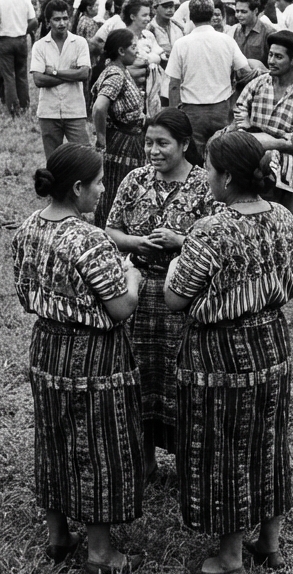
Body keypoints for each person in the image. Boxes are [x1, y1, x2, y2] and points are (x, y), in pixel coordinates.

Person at [164, 131, 293, 574]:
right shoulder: (283, 217)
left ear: (225, 177)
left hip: (218, 355)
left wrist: (174, 258)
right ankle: (269, 542)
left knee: (223, 449)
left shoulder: (211, 230)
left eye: (208, 168)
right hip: (271, 345)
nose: (205, 175)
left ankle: (229, 557)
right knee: (269, 440)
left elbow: (176, 297)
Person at [12, 145, 144, 573]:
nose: (103, 190)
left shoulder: (28, 228)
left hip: (47, 349)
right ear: (77, 187)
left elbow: (23, 291)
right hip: (94, 358)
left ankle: (58, 537)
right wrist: (133, 276)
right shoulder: (89, 239)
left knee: (53, 440)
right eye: (100, 182)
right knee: (98, 447)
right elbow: (121, 307)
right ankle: (101, 554)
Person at [105, 109, 216, 476]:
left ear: (184, 144)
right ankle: (146, 460)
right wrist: (136, 242)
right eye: (148, 142)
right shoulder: (135, 180)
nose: (153, 151)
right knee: (140, 375)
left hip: (182, 297)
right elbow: (111, 230)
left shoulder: (205, 184)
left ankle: (188, 461)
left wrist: (179, 241)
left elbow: (216, 238)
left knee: (181, 377)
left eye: (162, 143)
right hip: (136, 293)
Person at [235, 29, 293, 221]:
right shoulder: (257, 84)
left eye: (278, 57)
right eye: (271, 55)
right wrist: (254, 131)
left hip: (286, 164)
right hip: (251, 154)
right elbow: (240, 113)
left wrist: (267, 140)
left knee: (283, 213)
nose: (271, 60)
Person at [166, 0, 252, 160]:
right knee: (220, 158)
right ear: (212, 14)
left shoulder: (181, 44)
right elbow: (246, 72)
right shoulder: (227, 41)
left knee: (193, 160)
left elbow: (174, 84)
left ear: (190, 16)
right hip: (222, 110)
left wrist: (172, 116)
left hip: (192, 113)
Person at [92, 30, 147, 227]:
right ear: (121, 50)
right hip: (121, 144)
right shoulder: (115, 74)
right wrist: (101, 139)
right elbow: (99, 106)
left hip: (128, 142)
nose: (137, 51)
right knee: (116, 190)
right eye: (133, 47)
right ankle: (108, 232)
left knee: (124, 190)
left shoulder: (121, 70)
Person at [31, 0, 92, 159]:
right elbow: (38, 80)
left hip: (75, 110)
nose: (62, 23)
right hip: (48, 111)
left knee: (85, 157)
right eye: (57, 19)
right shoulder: (40, 46)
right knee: (53, 160)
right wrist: (71, 75)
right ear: (48, 21)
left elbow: (84, 74)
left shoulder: (79, 43)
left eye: (65, 18)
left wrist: (55, 72)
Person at [0, 0, 39, 119]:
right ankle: (24, 105)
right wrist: (24, 30)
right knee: (21, 74)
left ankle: (12, 107)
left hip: (5, 40)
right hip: (21, 40)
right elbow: (34, 21)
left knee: (8, 76)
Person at [146, 0, 183, 109]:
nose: (170, 10)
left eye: (172, 6)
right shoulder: (149, 29)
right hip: (158, 76)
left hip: (178, 75)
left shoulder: (178, 26)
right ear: (155, 9)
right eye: (166, 7)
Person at [230, 0, 271, 65]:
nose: (239, 15)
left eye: (243, 12)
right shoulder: (236, 30)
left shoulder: (268, 33)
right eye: (237, 11)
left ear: (255, 11)